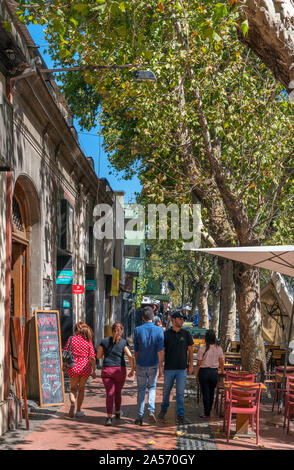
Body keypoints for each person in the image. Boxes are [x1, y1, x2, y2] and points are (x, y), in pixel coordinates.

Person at [158, 311, 194, 425]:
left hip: (182, 369)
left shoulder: (186, 334)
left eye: (183, 319)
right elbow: (162, 351)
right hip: (169, 368)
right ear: (173, 320)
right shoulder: (166, 334)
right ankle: (163, 411)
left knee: (180, 393)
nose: (182, 320)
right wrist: (160, 366)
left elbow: (191, 350)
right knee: (166, 392)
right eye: (180, 319)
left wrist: (191, 365)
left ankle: (181, 415)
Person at [97, 322, 135, 426]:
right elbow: (130, 356)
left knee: (110, 394)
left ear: (111, 330)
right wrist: (132, 369)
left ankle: (109, 417)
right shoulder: (123, 342)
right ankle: (117, 412)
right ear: (121, 330)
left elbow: (99, 356)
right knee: (118, 392)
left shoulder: (104, 341)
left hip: (107, 370)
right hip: (120, 371)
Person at [133, 306, 164, 425]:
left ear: (142, 317)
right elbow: (160, 351)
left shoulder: (137, 330)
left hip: (141, 362)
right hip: (153, 364)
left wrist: (136, 363)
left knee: (141, 389)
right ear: (153, 317)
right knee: (152, 387)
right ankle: (151, 410)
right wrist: (160, 367)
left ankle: (140, 416)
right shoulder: (159, 330)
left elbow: (136, 349)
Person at [63, 321, 96, 418]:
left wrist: (63, 365)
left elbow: (65, 352)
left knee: (73, 389)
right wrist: (94, 370)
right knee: (81, 389)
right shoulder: (88, 341)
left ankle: (72, 402)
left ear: (76, 330)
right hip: (85, 367)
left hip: (73, 367)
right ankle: (78, 411)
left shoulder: (71, 339)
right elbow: (92, 358)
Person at [195, 329, 225, 419]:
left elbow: (198, 364)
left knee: (205, 393)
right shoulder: (219, 348)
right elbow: (221, 362)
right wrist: (222, 371)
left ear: (206, 338)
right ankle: (209, 411)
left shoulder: (202, 349)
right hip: (214, 373)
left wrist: (196, 375)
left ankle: (206, 412)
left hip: (204, 373)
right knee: (212, 392)